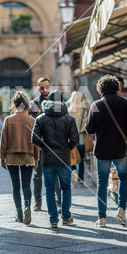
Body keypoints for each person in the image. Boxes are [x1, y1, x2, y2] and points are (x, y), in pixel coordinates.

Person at [85, 75, 127, 227]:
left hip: (102, 149)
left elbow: (89, 128)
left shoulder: (96, 105)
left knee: (102, 182)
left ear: (100, 89)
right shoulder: (126, 103)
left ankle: (102, 217)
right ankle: (122, 210)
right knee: (123, 177)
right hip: (120, 149)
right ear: (117, 87)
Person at [31, 90, 79, 228]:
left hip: (47, 159)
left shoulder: (40, 118)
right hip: (64, 158)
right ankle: (66, 216)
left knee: (50, 189)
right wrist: (67, 147)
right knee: (66, 188)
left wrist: (45, 147)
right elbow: (74, 139)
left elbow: (34, 138)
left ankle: (53, 219)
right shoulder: (69, 118)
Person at [0, 91, 40, 225]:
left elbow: (3, 141)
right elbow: (36, 142)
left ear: (14, 104)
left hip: (12, 157)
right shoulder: (32, 120)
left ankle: (19, 213)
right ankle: (28, 206)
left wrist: (2, 157)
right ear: (27, 105)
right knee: (26, 185)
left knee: (16, 186)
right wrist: (36, 159)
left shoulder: (8, 120)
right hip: (28, 156)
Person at [29, 77, 62, 212]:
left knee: (55, 174)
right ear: (38, 88)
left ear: (50, 86)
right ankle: (37, 201)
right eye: (42, 87)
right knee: (37, 174)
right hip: (39, 145)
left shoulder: (57, 103)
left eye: (47, 86)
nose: (45, 89)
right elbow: (30, 125)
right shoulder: (33, 104)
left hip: (54, 144)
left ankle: (58, 200)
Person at [66, 90, 89, 187]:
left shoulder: (68, 109)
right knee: (81, 159)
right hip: (82, 137)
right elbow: (87, 122)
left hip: (71, 137)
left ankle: (74, 171)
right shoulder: (84, 109)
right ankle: (81, 180)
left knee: (73, 157)